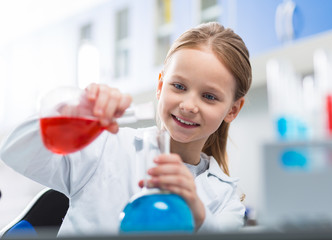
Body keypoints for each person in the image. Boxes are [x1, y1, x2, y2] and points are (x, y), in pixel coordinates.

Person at [0, 22, 252, 236]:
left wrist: (197, 213)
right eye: (179, 86)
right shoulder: (106, 147)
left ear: (233, 109)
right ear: (160, 85)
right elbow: (15, 151)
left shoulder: (226, 198)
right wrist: (78, 110)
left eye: (209, 96)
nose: (188, 105)